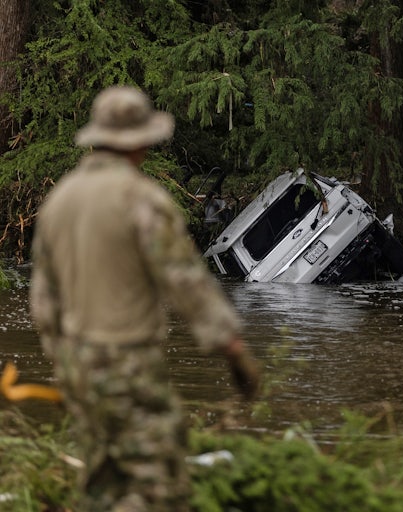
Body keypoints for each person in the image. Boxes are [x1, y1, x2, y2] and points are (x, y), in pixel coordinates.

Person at [29, 85, 262, 511]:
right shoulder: (142, 200)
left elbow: (43, 299)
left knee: (103, 478)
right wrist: (231, 346)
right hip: (127, 363)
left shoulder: (59, 200)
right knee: (159, 484)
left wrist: (63, 356)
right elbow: (186, 281)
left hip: (75, 364)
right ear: (140, 143)